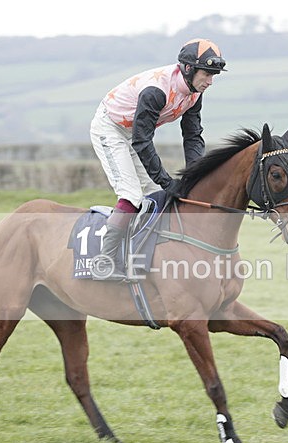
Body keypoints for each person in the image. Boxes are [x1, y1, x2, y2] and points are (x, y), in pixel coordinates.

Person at [89, 38, 227, 281]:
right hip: (109, 128)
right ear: (188, 69)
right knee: (132, 195)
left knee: (156, 197)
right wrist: (167, 181)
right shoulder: (157, 91)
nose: (211, 81)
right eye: (207, 74)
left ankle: (141, 256)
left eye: (214, 75)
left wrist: (195, 178)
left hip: (133, 133)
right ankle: (105, 260)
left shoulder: (194, 92)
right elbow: (142, 141)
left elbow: (193, 136)